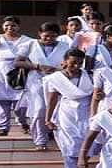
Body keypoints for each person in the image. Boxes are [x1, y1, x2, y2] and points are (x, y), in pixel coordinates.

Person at [14, 22, 70, 150]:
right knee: (39, 109)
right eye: (46, 36)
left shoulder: (65, 46)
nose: (49, 39)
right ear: (39, 34)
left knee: (56, 108)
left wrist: (60, 68)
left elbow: (70, 62)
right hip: (36, 80)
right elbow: (17, 62)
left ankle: (55, 134)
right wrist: (37, 66)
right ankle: (40, 139)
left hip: (57, 79)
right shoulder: (30, 45)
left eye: (53, 36)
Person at [44, 48, 93, 168]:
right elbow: (52, 99)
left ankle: (81, 164)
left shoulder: (89, 75)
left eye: (79, 63)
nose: (76, 66)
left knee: (87, 143)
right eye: (73, 63)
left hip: (86, 113)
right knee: (70, 147)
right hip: (66, 115)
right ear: (65, 61)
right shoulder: (56, 78)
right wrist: (48, 119)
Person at [0, 16, 33, 136]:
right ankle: (2, 126)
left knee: (22, 102)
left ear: (18, 27)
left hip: (19, 72)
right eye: (7, 25)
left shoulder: (28, 40)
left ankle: (23, 121)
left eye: (13, 25)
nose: (10, 28)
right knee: (0, 100)